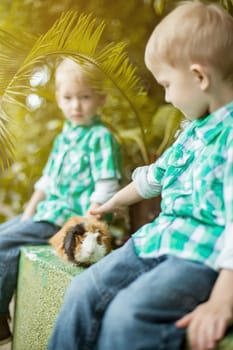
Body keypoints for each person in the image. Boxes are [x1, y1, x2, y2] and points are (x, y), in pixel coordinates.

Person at [47, 2, 233, 350]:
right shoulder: (194, 131)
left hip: (200, 257)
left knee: (127, 316)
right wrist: (112, 202)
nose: (165, 95)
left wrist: (223, 299)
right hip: (155, 240)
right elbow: (154, 177)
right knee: (83, 290)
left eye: (166, 84)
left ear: (199, 77)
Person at [0, 57, 122, 345]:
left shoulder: (101, 138)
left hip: (66, 219)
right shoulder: (64, 136)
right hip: (45, 211)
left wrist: (91, 224)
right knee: (5, 232)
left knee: (3, 246)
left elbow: (106, 185)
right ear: (58, 99)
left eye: (85, 97)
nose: (76, 106)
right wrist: (29, 209)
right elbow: (47, 180)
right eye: (68, 98)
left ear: (100, 99)